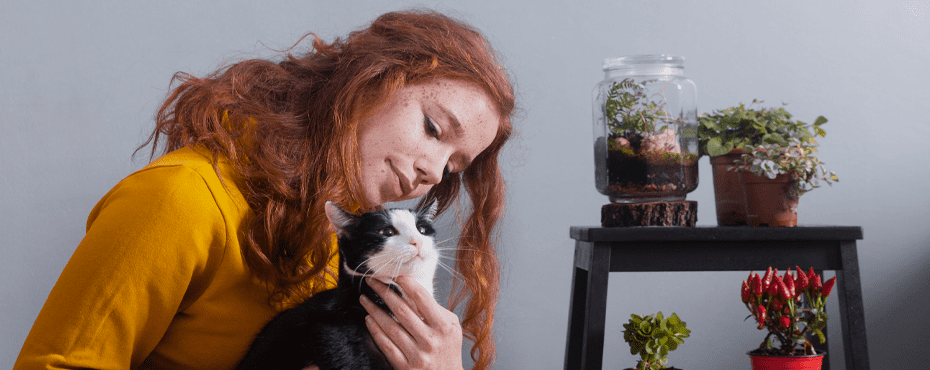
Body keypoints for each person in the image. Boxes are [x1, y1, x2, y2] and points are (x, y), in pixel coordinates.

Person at [14, 9, 515, 370]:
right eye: (431, 126)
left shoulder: (349, 240)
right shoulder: (181, 198)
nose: (433, 173)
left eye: (454, 166)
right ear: (367, 84)